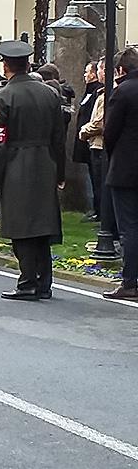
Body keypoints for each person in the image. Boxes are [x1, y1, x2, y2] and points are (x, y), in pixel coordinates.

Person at [0, 40, 65, 301]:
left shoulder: (2, 97)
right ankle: (44, 282)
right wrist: (60, 173)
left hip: (16, 165)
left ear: (5, 66)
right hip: (45, 163)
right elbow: (59, 138)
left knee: (21, 227)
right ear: (28, 64)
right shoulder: (50, 94)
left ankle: (27, 281)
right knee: (42, 225)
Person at [102, 48, 138, 299]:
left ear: (121, 70)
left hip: (126, 168)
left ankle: (130, 281)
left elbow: (110, 132)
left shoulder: (122, 92)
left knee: (129, 227)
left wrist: (113, 154)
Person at [74, 61, 104, 220]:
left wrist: (85, 130)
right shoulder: (90, 92)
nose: (85, 75)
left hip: (95, 141)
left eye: (87, 72)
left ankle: (99, 210)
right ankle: (96, 208)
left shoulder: (98, 93)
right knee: (93, 177)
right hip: (89, 142)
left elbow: (98, 121)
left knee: (97, 178)